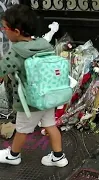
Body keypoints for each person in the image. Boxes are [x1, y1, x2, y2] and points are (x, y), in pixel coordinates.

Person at [0, 4, 68, 167]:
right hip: (47, 96)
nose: (3, 31)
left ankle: (13, 155)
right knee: (51, 125)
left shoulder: (17, 51)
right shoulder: (43, 44)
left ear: (16, 31)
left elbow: (2, 69)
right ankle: (58, 156)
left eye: (4, 28)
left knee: (22, 129)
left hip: (29, 101)